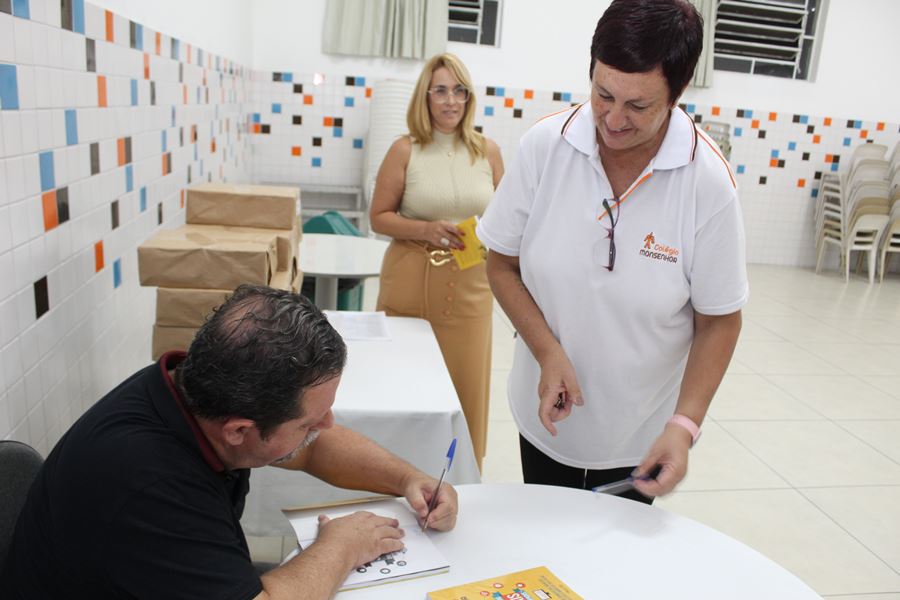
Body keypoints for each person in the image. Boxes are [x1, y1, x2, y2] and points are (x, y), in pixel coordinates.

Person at [0, 285, 459, 600]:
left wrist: (408, 479)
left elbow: (313, 447)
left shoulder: (194, 389)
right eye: (308, 421)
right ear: (238, 431)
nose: (327, 424)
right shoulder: (151, 485)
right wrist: (341, 546)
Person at [476, 0, 747, 503]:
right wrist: (547, 351)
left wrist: (684, 426)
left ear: (677, 93)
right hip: (546, 420)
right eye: (603, 94)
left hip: (640, 436)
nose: (614, 119)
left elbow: (719, 321)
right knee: (547, 538)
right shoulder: (546, 147)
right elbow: (501, 265)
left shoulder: (707, 184)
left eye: (638, 106)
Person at [370, 53, 504, 469]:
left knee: (466, 383)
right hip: (411, 282)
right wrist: (425, 229)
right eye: (441, 91)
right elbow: (379, 217)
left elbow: (507, 217)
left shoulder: (487, 151)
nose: (451, 100)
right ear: (425, 98)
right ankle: (394, 470)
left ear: (469, 98)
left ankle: (458, 473)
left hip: (471, 285)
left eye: (459, 91)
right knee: (405, 381)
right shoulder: (404, 150)